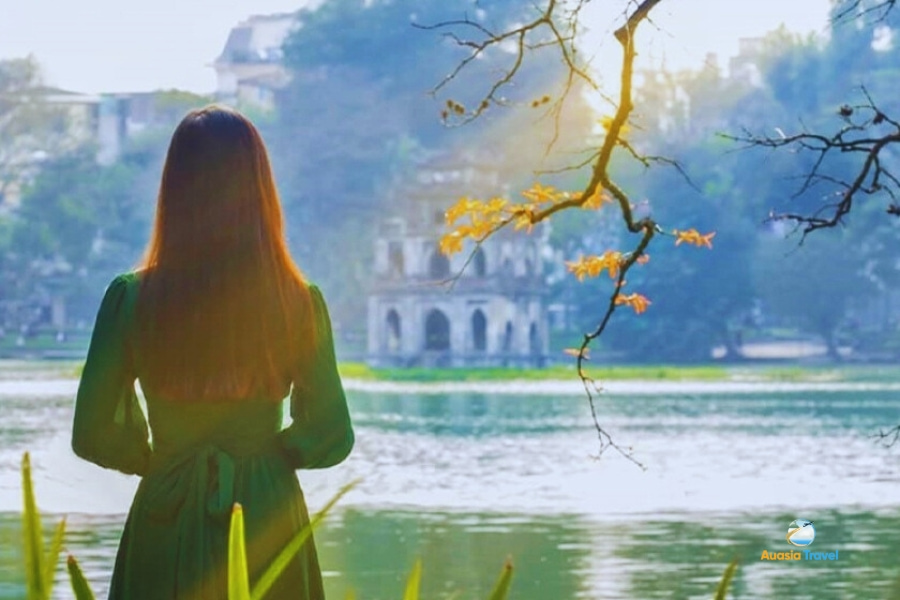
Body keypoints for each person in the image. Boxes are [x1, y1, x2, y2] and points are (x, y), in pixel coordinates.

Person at [72, 105, 355, 599]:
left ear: (174, 190)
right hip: (266, 514)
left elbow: (92, 432)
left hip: (166, 508)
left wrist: (161, 461)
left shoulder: (130, 299)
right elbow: (332, 434)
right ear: (259, 189)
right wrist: (269, 455)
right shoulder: (296, 302)